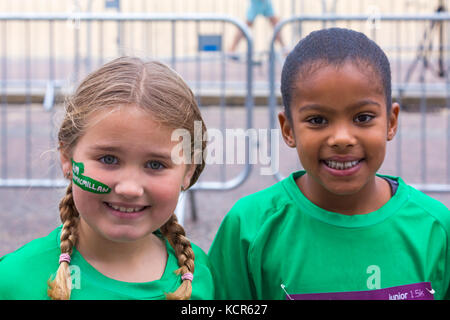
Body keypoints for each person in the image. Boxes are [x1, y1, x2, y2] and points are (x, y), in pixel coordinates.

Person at [209, 28, 450, 300]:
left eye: (363, 118)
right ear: (288, 130)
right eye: (317, 120)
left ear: (391, 122)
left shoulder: (436, 228)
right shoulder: (249, 227)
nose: (342, 139)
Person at [0, 57, 214, 300]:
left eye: (156, 164)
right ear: (67, 158)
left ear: (188, 172)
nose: (129, 188)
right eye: (108, 159)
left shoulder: (201, 276)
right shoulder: (15, 281)